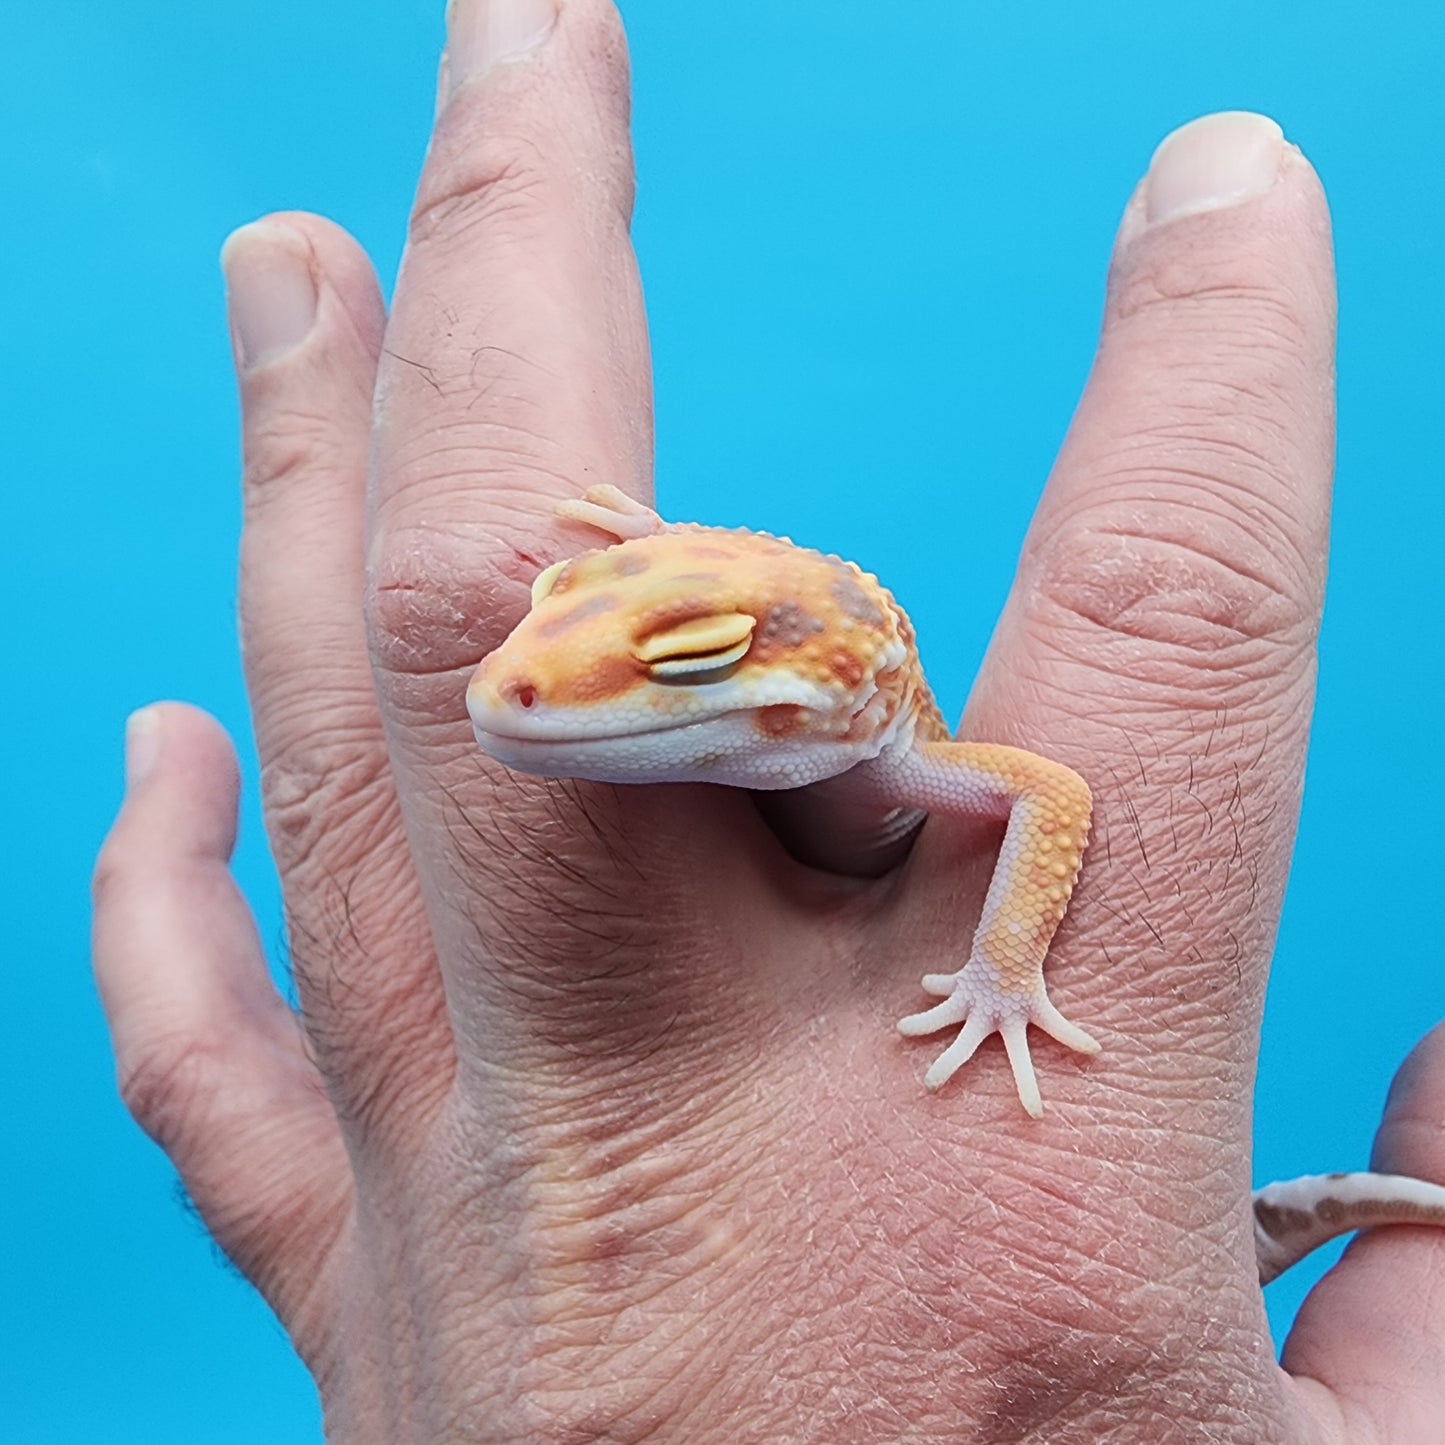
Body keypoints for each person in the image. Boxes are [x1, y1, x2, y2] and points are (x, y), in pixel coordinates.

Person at [91, 0, 1445, 1437]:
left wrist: (1002, 974)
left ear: (842, 692)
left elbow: (1049, 793)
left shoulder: (910, 744)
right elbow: (705, 603)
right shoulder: (733, 670)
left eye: (683, 654)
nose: (518, 682)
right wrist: (643, 569)